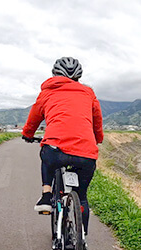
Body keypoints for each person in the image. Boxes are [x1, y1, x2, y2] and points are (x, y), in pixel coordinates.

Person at [21, 57, 103, 235]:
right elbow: (97, 121)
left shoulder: (48, 92)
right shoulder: (88, 93)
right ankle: (82, 239)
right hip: (86, 154)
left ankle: (46, 195)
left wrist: (27, 134)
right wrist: (97, 139)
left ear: (55, 74)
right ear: (78, 77)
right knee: (81, 197)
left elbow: (34, 118)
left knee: (47, 154)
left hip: (55, 151)